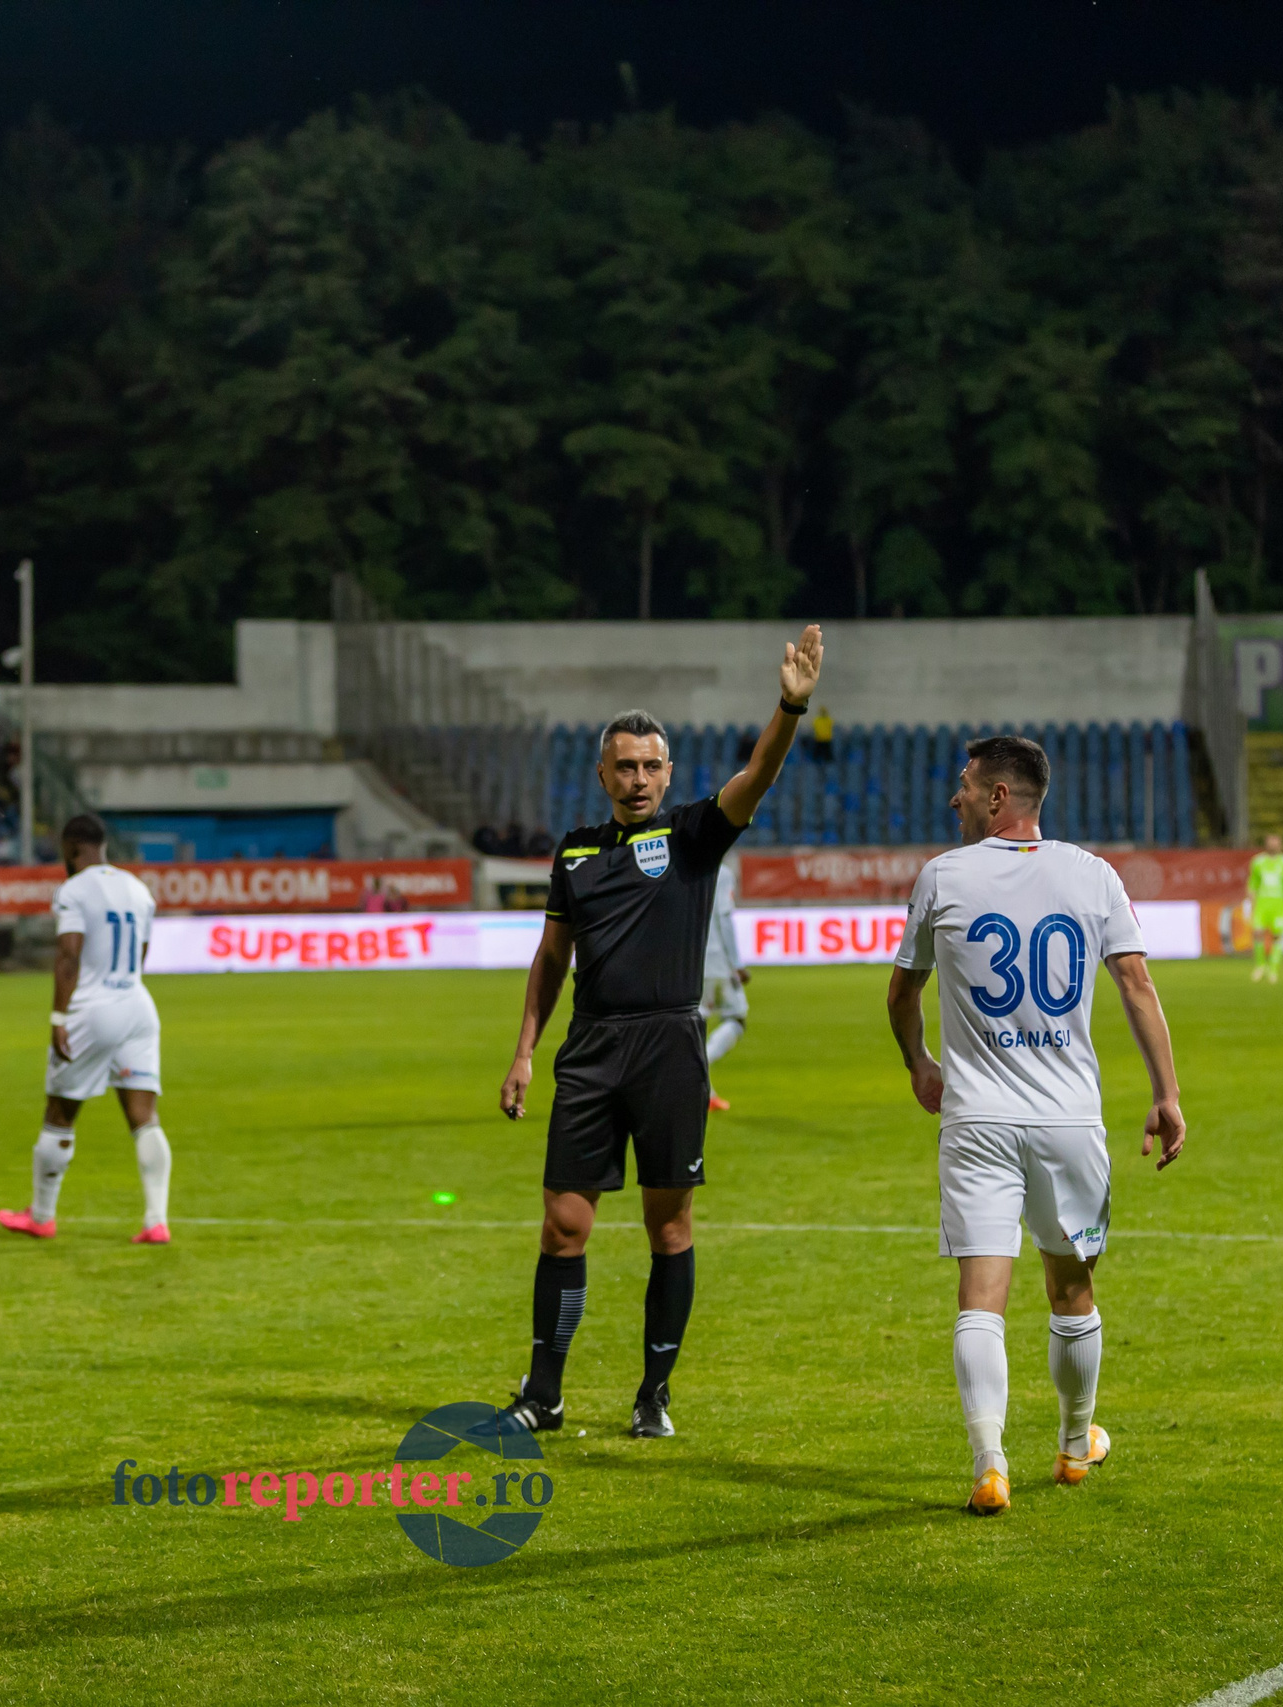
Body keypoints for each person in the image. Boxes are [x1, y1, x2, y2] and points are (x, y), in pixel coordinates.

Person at [496, 625, 825, 1441]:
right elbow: (549, 957)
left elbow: (759, 774)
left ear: (667, 773)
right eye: (625, 766)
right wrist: (525, 1049)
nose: (639, 778)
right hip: (590, 1048)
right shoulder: (573, 853)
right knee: (563, 1224)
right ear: (602, 772)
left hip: (670, 1047)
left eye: (652, 765)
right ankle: (545, 1392)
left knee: (667, 1226)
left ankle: (653, 1391)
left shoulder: (690, 835)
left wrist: (790, 705)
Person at [885, 735, 1186, 1517]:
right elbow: (1138, 984)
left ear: (996, 798)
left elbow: (899, 994)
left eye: (965, 786)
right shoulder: (1093, 875)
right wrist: (1166, 1093)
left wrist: (921, 1063)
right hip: (1067, 1120)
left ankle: (990, 1462)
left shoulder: (942, 877)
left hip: (977, 1116)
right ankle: (1075, 1441)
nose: (954, 798)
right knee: (1071, 1289)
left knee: (980, 1297)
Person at [0, 813, 173, 1246]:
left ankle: (40, 1216)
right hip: (137, 1004)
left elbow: (68, 956)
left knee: (60, 1113)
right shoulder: (138, 888)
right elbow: (142, 952)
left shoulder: (73, 890)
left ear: (72, 847)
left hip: (93, 1010)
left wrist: (59, 1017)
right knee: (143, 1116)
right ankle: (156, 1220)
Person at [700, 850, 748, 1111]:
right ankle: (700, 1066)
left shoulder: (686, 870)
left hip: (691, 961)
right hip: (717, 960)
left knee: (697, 1023)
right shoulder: (722, 874)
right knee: (737, 1018)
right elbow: (723, 917)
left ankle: (705, 1093)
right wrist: (737, 964)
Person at [1245, 833, 1283, 984]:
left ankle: (1273, 969)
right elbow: (1253, 883)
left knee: (1277, 936)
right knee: (1257, 933)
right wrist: (1249, 902)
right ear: (1266, 844)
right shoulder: (1258, 861)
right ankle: (1260, 965)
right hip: (1262, 903)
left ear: (1280, 845)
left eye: (1276, 843)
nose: (1273, 845)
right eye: (1270, 842)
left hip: (1278, 904)